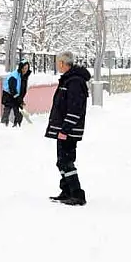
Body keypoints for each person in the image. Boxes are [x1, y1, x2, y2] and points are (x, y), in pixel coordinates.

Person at [46, 51, 91, 206]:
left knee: (67, 161)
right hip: (64, 129)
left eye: (58, 62)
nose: (57, 65)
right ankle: (67, 191)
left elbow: (74, 109)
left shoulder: (74, 82)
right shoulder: (68, 79)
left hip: (68, 130)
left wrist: (65, 129)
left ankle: (77, 194)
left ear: (63, 63)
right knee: (61, 161)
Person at [1, 59, 31, 127]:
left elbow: (22, 88)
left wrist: (21, 99)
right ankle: (3, 126)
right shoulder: (14, 76)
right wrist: (18, 99)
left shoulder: (24, 76)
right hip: (8, 94)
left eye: (27, 68)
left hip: (16, 95)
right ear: (21, 68)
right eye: (24, 68)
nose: (25, 70)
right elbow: (12, 89)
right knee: (7, 109)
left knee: (19, 112)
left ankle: (17, 125)